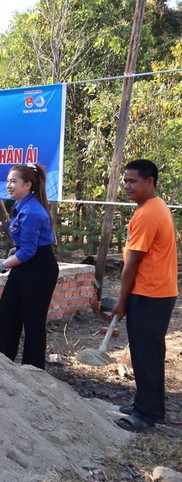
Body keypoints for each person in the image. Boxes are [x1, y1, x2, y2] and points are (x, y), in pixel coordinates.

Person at [111, 159, 178, 432]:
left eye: (133, 181)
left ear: (149, 182)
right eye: (125, 181)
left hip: (149, 294)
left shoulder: (147, 213)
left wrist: (121, 301)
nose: (127, 186)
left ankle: (146, 415)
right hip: (161, 292)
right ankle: (151, 406)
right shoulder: (156, 206)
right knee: (151, 352)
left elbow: (132, 264)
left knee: (145, 355)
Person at [0, 164, 58, 370]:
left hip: (39, 270)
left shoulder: (33, 211)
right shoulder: (21, 206)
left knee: (33, 321)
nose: (8, 185)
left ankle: (33, 371)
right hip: (24, 266)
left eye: (13, 181)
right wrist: (13, 255)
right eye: (8, 181)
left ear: (27, 185)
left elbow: (28, 252)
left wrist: (0, 266)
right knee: (8, 313)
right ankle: (1, 364)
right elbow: (24, 247)